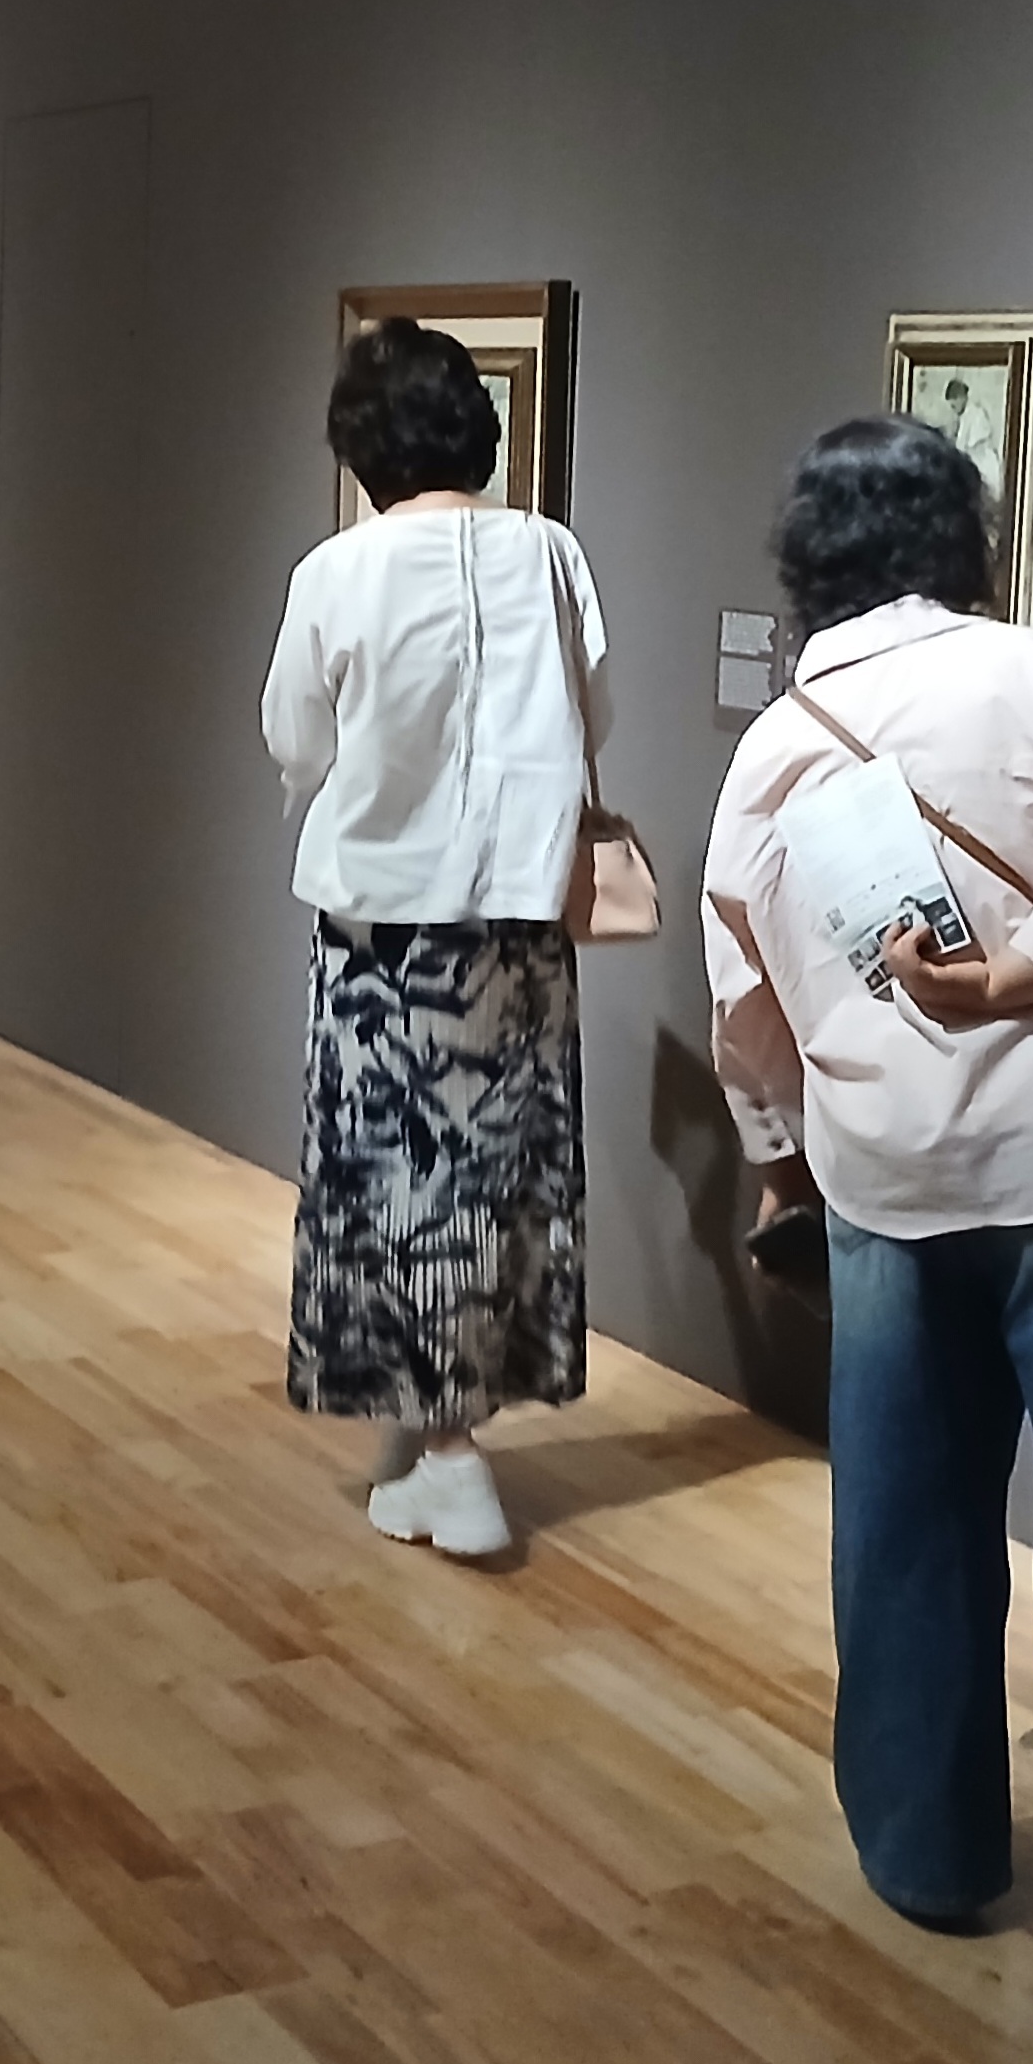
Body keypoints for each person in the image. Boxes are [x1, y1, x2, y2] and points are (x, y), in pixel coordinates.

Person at [698, 416, 1033, 2049]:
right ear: (962, 536)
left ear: (810, 558)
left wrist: (776, 1163)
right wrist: (1022, 977)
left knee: (908, 1529)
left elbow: (743, 993)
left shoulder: (775, 744)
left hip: (888, 1179)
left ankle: (929, 1856)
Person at [261, 319, 614, 1562]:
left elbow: (294, 738)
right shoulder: (551, 552)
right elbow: (593, 712)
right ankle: (429, 1436)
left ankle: (454, 1458)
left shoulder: (338, 572)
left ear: (361, 447)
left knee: (399, 1185)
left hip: (386, 940)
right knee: (497, 1179)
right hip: (522, 928)